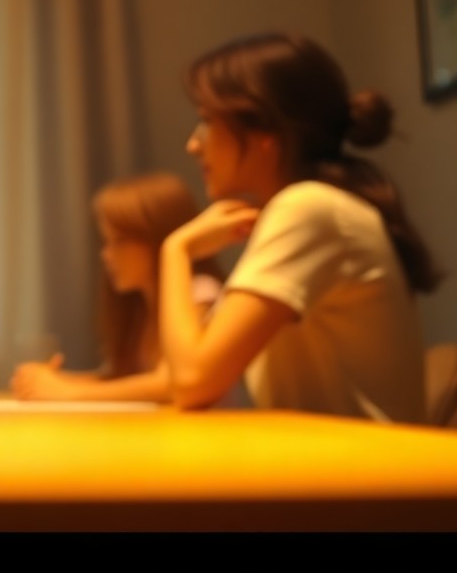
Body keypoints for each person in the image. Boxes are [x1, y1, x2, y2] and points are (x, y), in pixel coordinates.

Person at [159, 31, 441, 423]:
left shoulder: (308, 208)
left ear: (264, 133)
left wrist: (175, 250)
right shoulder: (310, 208)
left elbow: (191, 380)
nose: (194, 144)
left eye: (207, 120)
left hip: (362, 476)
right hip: (338, 466)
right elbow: (188, 368)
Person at [11, 172, 225, 403]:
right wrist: (51, 381)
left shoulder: (199, 292)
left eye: (119, 241)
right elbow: (126, 380)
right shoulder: (140, 305)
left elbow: (168, 382)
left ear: (159, 237)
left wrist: (67, 391)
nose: (107, 255)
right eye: (106, 242)